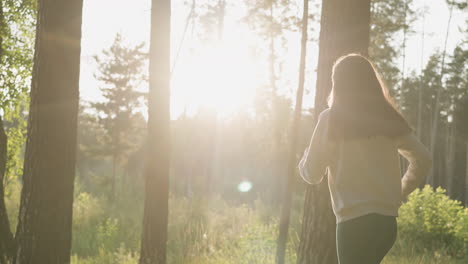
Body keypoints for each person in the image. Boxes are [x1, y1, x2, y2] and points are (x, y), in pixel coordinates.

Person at [298, 53, 432, 264]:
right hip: (387, 225)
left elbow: (312, 174)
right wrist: (401, 190)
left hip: (353, 225)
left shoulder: (331, 119)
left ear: (338, 84)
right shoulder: (387, 119)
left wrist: (305, 157)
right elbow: (423, 158)